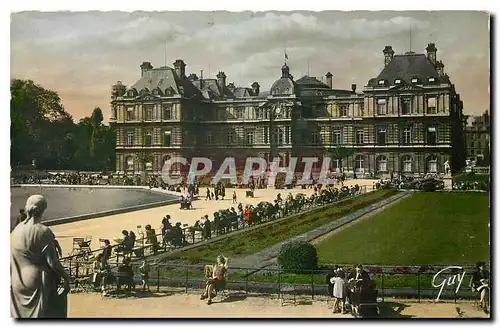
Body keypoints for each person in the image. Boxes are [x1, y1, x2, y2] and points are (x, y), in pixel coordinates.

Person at [11, 195, 71, 318]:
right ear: (43, 210)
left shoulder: (16, 230)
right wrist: (66, 278)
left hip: (17, 280)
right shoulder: (43, 231)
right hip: (36, 280)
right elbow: (53, 262)